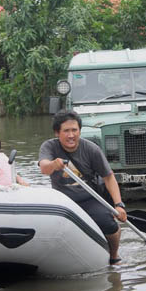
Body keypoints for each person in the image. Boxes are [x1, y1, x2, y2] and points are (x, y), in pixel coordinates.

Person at [38, 110, 127, 265]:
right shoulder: (49, 146)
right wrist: (54, 164)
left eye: (74, 130)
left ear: (80, 131)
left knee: (110, 226)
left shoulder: (91, 149)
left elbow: (108, 177)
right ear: (57, 133)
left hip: (89, 199)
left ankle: (114, 256)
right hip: (63, 201)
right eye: (66, 131)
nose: (71, 135)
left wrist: (119, 205)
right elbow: (44, 168)